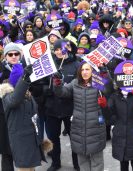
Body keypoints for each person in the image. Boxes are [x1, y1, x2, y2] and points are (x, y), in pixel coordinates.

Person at [53, 62, 106, 171]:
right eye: (82, 70)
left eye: (87, 69)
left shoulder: (97, 82)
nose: (85, 72)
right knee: (82, 160)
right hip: (79, 127)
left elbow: (109, 89)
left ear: (92, 71)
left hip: (95, 127)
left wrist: (105, 74)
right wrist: (57, 83)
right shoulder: (74, 83)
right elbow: (62, 92)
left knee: (97, 161)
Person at [0, 63, 51, 171]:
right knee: (26, 168)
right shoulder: (6, 95)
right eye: (24, 79)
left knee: (31, 168)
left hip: (31, 138)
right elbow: (14, 100)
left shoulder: (27, 93)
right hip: (21, 141)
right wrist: (24, 78)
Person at [44, 39, 80, 171]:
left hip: (71, 108)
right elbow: (41, 84)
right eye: (57, 49)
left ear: (69, 49)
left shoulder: (77, 64)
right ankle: (55, 162)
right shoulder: (49, 64)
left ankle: (77, 163)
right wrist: (47, 89)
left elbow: (80, 85)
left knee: (74, 138)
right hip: (52, 108)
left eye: (63, 49)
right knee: (53, 137)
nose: (59, 52)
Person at [102, 88, 133, 171]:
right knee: (123, 164)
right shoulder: (114, 96)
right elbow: (108, 117)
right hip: (120, 135)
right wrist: (104, 107)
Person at [0, 43, 24, 171]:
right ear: (6, 56)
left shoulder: (26, 68)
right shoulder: (1, 70)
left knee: (24, 151)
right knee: (7, 152)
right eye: (10, 54)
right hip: (4, 115)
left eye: (16, 54)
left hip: (22, 115)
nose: (14, 56)